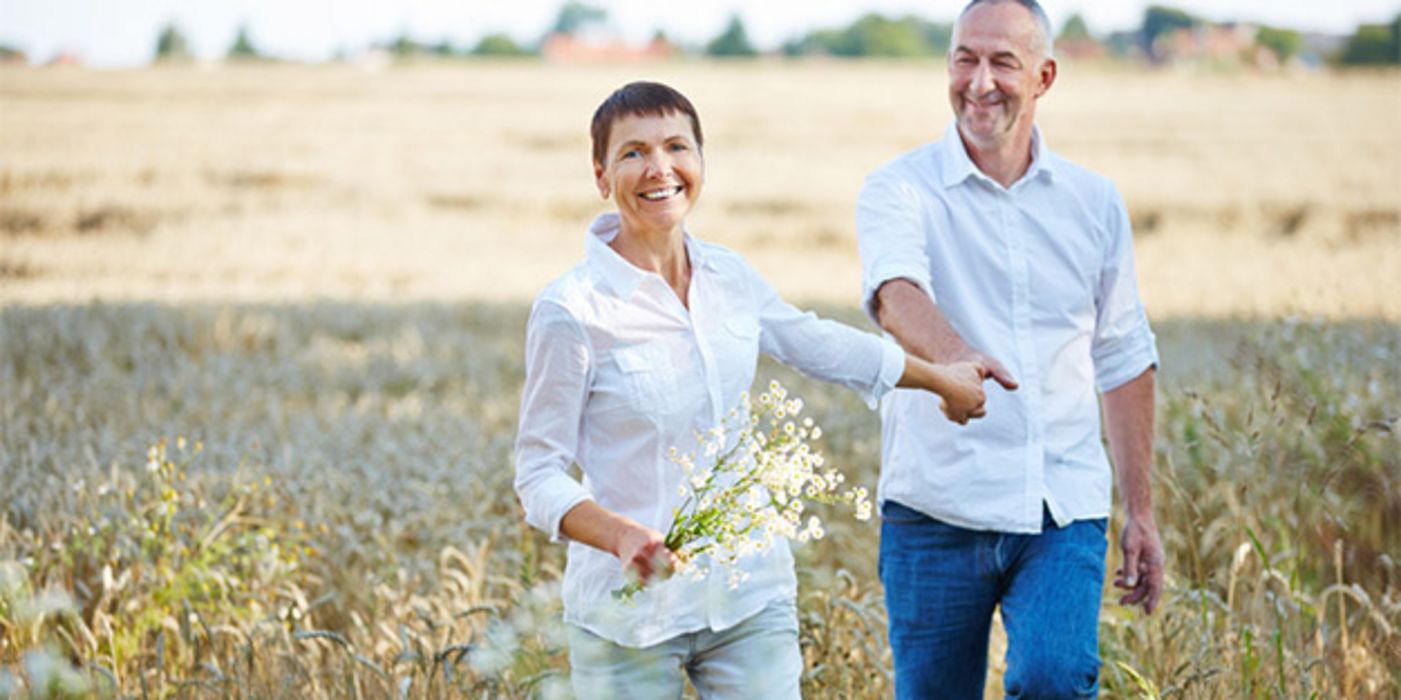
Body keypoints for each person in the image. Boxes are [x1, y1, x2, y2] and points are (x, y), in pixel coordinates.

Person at [514, 81, 989, 699]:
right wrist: (620, 535)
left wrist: (939, 379)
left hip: (747, 593)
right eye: (633, 153)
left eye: (676, 147)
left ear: (701, 162)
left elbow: (816, 343)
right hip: (626, 617)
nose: (659, 168)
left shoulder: (728, 276)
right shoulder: (571, 310)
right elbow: (537, 473)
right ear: (601, 174)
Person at [855, 1, 1165, 697]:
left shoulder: (1093, 201)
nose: (979, 81)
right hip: (934, 507)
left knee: (1054, 679)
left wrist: (1140, 512)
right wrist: (955, 357)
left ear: (1044, 75)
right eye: (964, 58)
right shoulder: (897, 187)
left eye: (1002, 62)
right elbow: (893, 292)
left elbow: (1121, 355)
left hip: (1059, 506)